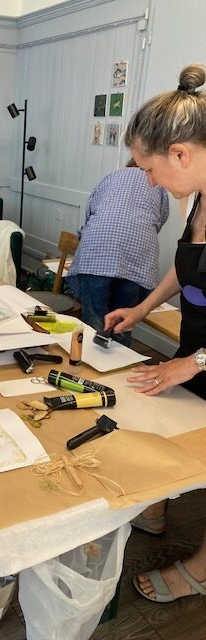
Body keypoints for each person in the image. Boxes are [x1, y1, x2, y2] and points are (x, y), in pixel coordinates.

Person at [104, 63, 206, 603]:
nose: (148, 182)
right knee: (174, 426)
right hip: (198, 346)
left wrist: (193, 363)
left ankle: (202, 571)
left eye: (149, 169)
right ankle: (159, 505)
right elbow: (187, 266)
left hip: (202, 356)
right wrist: (142, 309)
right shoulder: (197, 198)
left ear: (180, 154)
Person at [66, 159, 170, 346]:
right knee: (124, 320)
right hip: (138, 253)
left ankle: (92, 359)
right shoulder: (158, 184)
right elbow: (160, 218)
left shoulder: (112, 176)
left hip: (98, 249)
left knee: (94, 320)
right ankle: (121, 359)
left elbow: (91, 209)